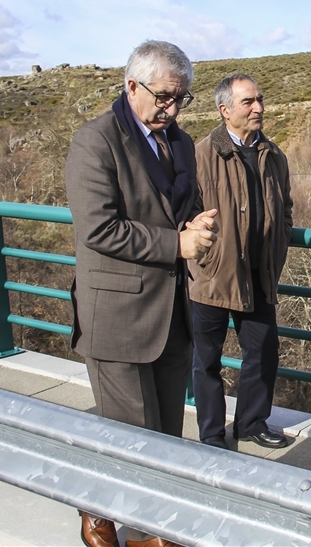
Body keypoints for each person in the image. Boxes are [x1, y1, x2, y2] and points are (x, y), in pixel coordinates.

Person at [65, 40, 217, 547]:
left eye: (181, 99)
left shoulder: (180, 142)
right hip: (117, 315)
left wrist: (195, 221)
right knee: (129, 431)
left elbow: (182, 204)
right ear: (131, 85)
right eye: (164, 97)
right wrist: (178, 242)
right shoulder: (95, 141)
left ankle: (149, 525)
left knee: (167, 433)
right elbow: (99, 229)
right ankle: (111, 517)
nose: (171, 109)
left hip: (172, 312)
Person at [189, 73, 293, 450]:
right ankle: (212, 434)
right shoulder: (201, 155)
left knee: (263, 353)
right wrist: (209, 253)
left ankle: (251, 423)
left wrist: (280, 242)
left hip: (259, 277)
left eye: (259, 100)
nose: (259, 108)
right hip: (213, 276)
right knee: (208, 361)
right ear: (224, 110)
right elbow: (187, 213)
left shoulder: (274, 155)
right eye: (248, 102)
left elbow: (286, 210)